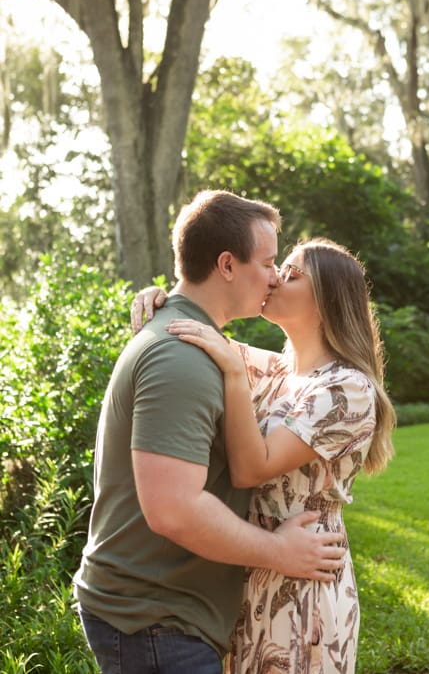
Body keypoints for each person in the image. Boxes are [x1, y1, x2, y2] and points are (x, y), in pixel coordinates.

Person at [74, 191, 348, 673]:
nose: (274, 276)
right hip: (155, 621)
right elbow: (174, 510)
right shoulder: (182, 358)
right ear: (226, 264)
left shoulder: (205, 347)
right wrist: (279, 551)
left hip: (166, 617)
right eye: (266, 262)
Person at [134, 237, 396, 674]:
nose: (274, 277)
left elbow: (251, 468)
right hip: (257, 572)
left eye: (292, 273)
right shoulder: (277, 370)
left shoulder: (347, 389)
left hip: (304, 588)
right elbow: (197, 330)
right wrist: (164, 301)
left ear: (327, 299)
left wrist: (234, 374)